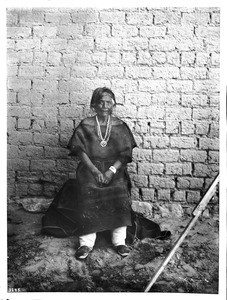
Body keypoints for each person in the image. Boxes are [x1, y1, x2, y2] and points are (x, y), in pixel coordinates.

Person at [42, 87, 137, 259]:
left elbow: (125, 155)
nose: (105, 105)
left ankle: (119, 242)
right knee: (88, 191)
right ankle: (86, 243)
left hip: (114, 170)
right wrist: (94, 171)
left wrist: (110, 171)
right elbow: (80, 152)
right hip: (89, 169)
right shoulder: (86, 125)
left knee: (120, 191)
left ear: (113, 104)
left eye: (109, 102)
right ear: (94, 105)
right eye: (101, 102)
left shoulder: (120, 126)